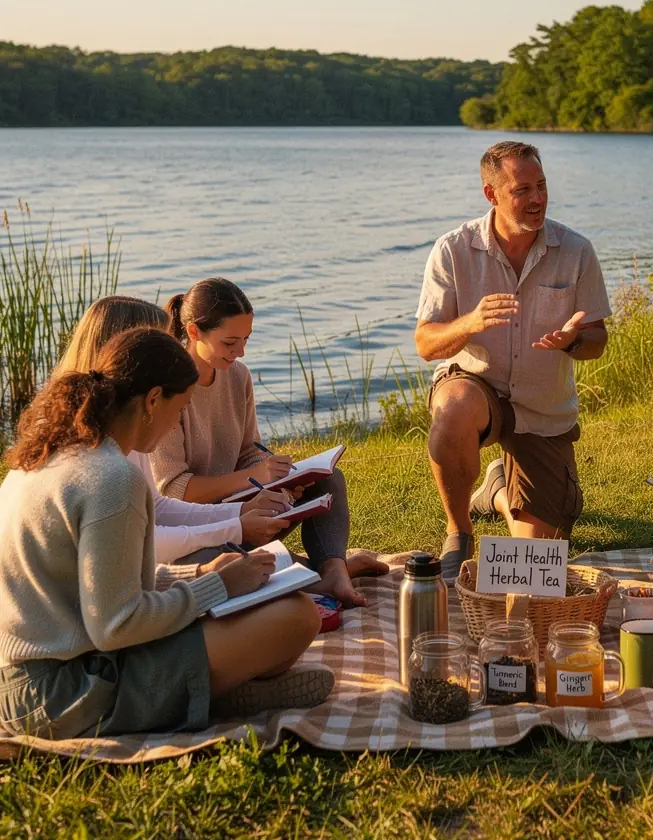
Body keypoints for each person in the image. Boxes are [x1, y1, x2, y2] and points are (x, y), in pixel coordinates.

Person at [0, 328, 332, 739]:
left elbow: (100, 583)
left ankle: (205, 694)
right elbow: (116, 625)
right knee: (295, 617)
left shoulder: (47, 457)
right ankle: (209, 696)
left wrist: (201, 574)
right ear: (153, 400)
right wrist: (217, 588)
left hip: (27, 684)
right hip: (64, 693)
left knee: (265, 625)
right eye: (181, 409)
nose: (177, 423)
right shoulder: (111, 478)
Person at [414, 140, 611, 580]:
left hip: (543, 413)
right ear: (492, 194)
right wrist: (470, 323)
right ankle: (458, 531)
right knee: (453, 407)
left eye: (542, 185)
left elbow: (598, 340)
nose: (537, 198)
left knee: (535, 561)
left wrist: (573, 341)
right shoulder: (452, 249)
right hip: (476, 389)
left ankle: (499, 490)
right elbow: (426, 344)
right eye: (523, 190)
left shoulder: (577, 251)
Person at [147, 278, 385, 606]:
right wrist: (251, 482)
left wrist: (281, 477)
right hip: (200, 529)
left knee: (328, 480)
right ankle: (319, 572)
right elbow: (174, 490)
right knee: (211, 563)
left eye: (245, 340)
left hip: (246, 508)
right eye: (230, 342)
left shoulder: (238, 375)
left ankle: (331, 568)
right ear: (194, 332)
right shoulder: (168, 391)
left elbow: (248, 451)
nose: (240, 352)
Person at [56, 295, 288, 563]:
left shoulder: (126, 427)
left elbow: (156, 507)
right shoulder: (92, 455)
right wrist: (235, 527)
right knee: (224, 557)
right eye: (161, 348)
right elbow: (140, 544)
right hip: (108, 576)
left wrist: (241, 512)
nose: (172, 358)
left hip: (129, 568)